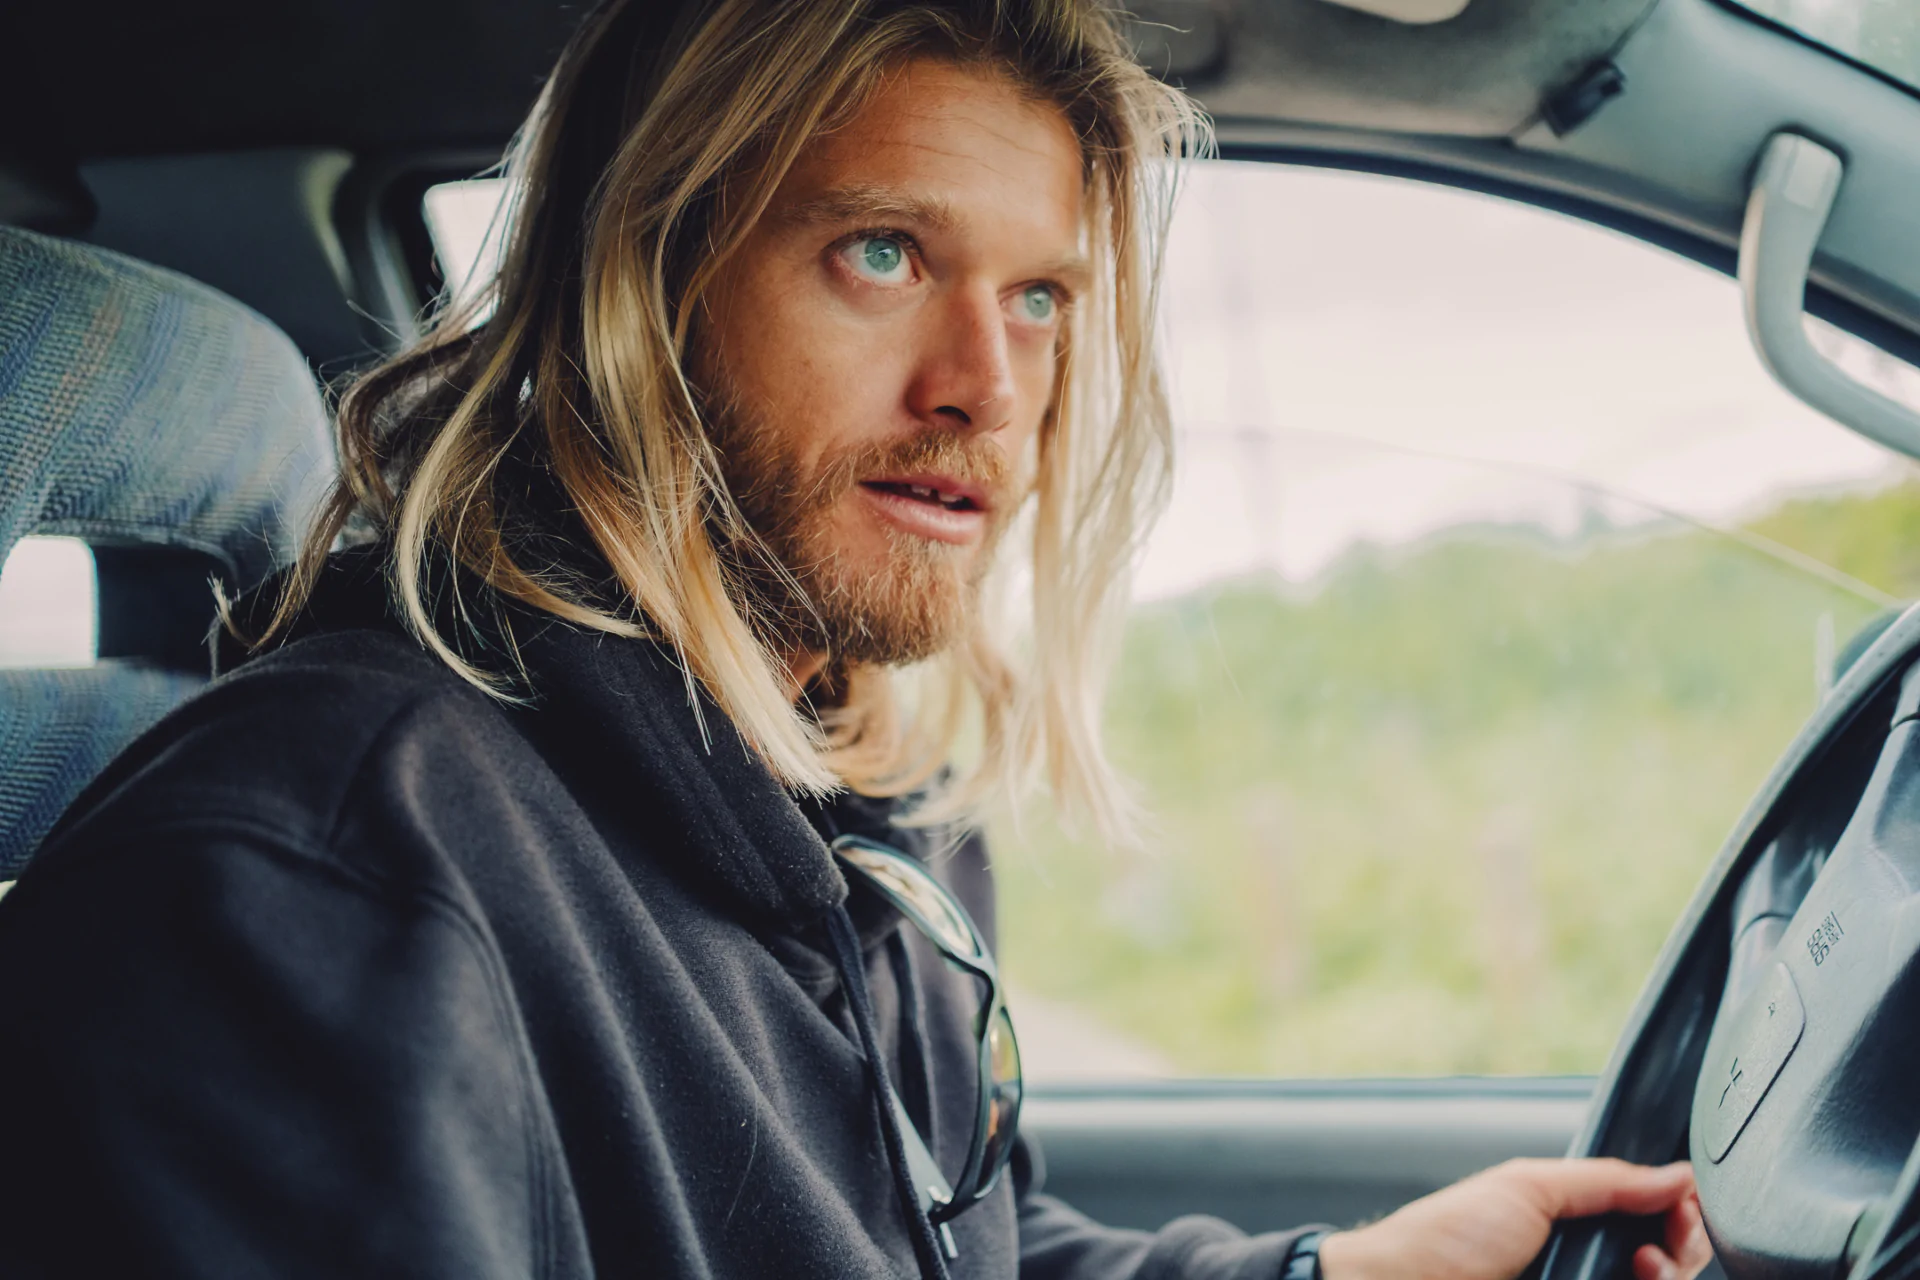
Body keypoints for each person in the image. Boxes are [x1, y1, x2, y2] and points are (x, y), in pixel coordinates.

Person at [0, 2, 1714, 1278]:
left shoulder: (852, 780)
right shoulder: (311, 886)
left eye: (1041, 294)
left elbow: (958, 1243)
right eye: (885, 253)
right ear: (645, 285)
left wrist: (1342, 1271)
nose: (991, 384)